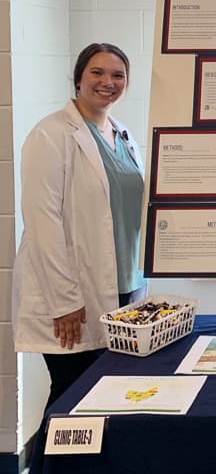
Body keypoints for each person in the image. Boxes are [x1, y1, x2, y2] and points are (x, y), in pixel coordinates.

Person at [12, 42, 147, 410]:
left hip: (124, 290)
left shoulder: (124, 136)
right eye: (97, 72)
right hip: (75, 297)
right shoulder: (51, 135)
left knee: (111, 399)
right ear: (78, 79)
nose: (108, 82)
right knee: (72, 397)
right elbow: (42, 223)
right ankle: (47, 467)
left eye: (118, 75)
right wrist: (64, 301)